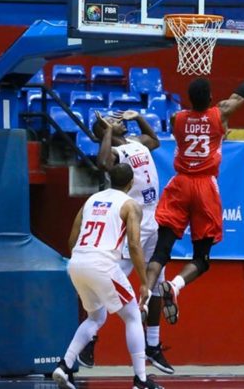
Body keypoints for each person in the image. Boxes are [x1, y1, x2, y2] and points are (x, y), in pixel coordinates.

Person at [147, 35, 244, 325]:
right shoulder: (220, 114)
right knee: (202, 257)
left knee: (162, 249)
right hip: (205, 186)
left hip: (180, 183)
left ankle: (147, 294)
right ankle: (176, 286)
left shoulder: (177, 119)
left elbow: (190, 127)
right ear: (210, 98)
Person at [76, 109, 174, 374]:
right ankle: (89, 341)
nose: (120, 122)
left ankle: (153, 345)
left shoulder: (136, 143)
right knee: (108, 281)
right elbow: (103, 164)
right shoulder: (117, 153)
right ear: (106, 131)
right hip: (135, 218)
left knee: (156, 280)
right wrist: (106, 130)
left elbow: (155, 141)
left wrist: (138, 117)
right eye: (115, 122)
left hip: (154, 217)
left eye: (119, 121)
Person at [52, 164, 162, 389]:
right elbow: (133, 245)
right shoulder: (131, 205)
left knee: (95, 318)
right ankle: (141, 380)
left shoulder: (92, 199)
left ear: (110, 179)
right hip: (102, 264)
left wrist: (81, 261)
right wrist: (143, 282)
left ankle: (64, 365)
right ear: (132, 184)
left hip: (77, 262)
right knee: (132, 315)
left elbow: (73, 237)